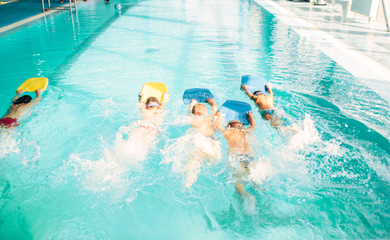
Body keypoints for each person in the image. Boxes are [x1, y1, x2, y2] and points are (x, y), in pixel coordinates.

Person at [216, 112, 259, 202]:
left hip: (237, 158)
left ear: (229, 126)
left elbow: (217, 126)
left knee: (238, 180)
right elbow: (253, 125)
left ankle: (245, 195)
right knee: (254, 176)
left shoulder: (228, 132)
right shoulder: (246, 131)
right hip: (249, 157)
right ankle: (258, 188)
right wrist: (251, 117)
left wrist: (219, 116)